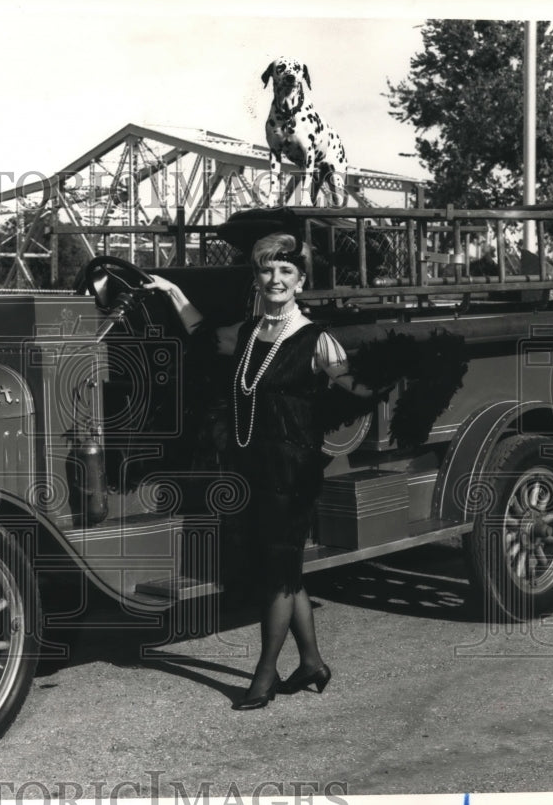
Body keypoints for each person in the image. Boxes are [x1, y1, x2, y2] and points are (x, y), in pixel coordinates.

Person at [144, 208, 381, 710]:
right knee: (283, 569)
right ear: (258, 278)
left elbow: (360, 389)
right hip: (252, 466)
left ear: (300, 280)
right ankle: (312, 662)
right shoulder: (250, 333)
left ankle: (265, 674)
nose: (275, 278)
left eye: (285, 271)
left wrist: (399, 370)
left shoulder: (318, 340)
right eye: (266, 270)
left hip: (293, 474)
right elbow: (203, 335)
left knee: (278, 572)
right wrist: (172, 293)